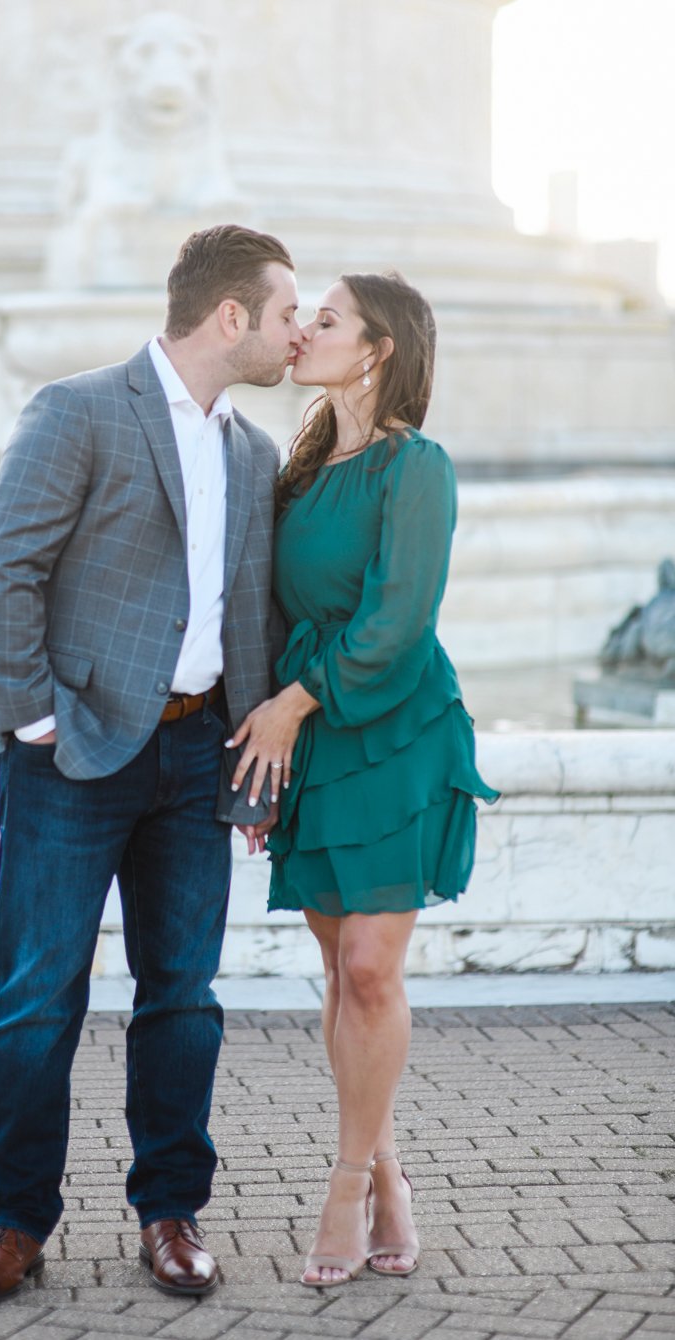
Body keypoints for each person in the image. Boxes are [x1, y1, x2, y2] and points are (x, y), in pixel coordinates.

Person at [0, 224, 301, 1301]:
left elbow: (248, 615)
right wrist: (33, 719)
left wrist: (250, 764)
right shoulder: (79, 408)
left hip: (200, 754)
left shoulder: (253, 451)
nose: (298, 333)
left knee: (183, 997)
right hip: (72, 757)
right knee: (36, 995)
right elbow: (1, 565)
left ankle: (170, 1210)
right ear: (231, 315)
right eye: (287, 312)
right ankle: (14, 1222)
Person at [227, 271, 498, 1287]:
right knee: (340, 973)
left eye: (324, 319)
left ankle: (343, 1186)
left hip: (391, 731)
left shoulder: (415, 468)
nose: (299, 331)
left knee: (374, 972)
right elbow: (263, 611)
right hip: (309, 747)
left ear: (377, 347)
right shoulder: (295, 468)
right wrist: (263, 748)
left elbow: (395, 625)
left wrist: (290, 705)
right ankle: (389, 1175)